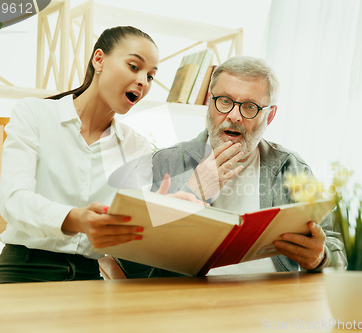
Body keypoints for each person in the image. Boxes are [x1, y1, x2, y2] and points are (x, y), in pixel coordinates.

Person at [0, 26, 197, 284]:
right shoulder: (34, 114)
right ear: (99, 60)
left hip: (87, 276)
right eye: (133, 66)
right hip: (22, 269)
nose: (143, 81)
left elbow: (127, 225)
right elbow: (14, 201)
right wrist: (75, 219)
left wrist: (161, 210)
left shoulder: (135, 146)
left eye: (151, 76)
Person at [116, 56, 347, 278]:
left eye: (249, 107)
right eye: (225, 101)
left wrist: (320, 258)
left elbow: (339, 249)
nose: (234, 116)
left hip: (272, 304)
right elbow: (132, 265)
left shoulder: (291, 167)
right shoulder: (166, 163)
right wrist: (193, 191)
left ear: (270, 116)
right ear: (209, 101)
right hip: (189, 305)